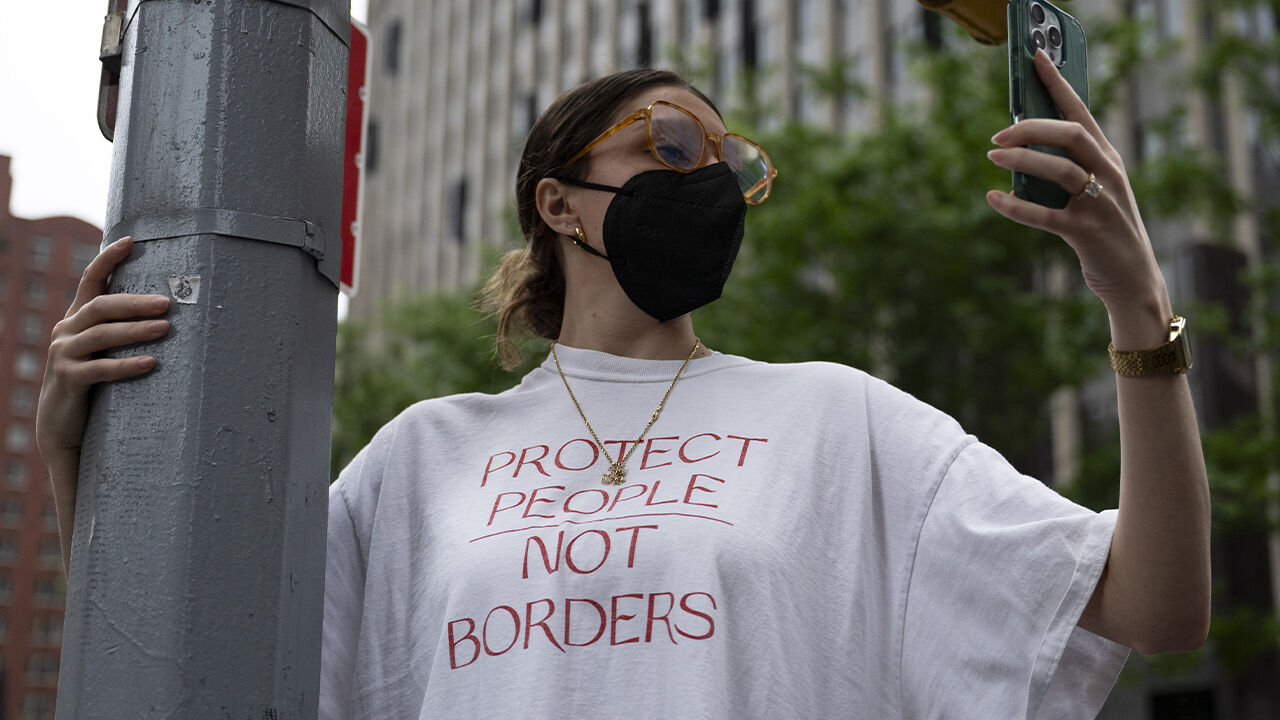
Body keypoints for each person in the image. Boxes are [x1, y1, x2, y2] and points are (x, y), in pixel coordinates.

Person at [39, 53, 1209, 719]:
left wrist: (1134, 307)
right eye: (668, 149)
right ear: (556, 202)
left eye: (729, 167)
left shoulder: (837, 418)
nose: (708, 184)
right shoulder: (420, 455)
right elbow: (202, 665)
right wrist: (74, 455)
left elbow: (1157, 610)